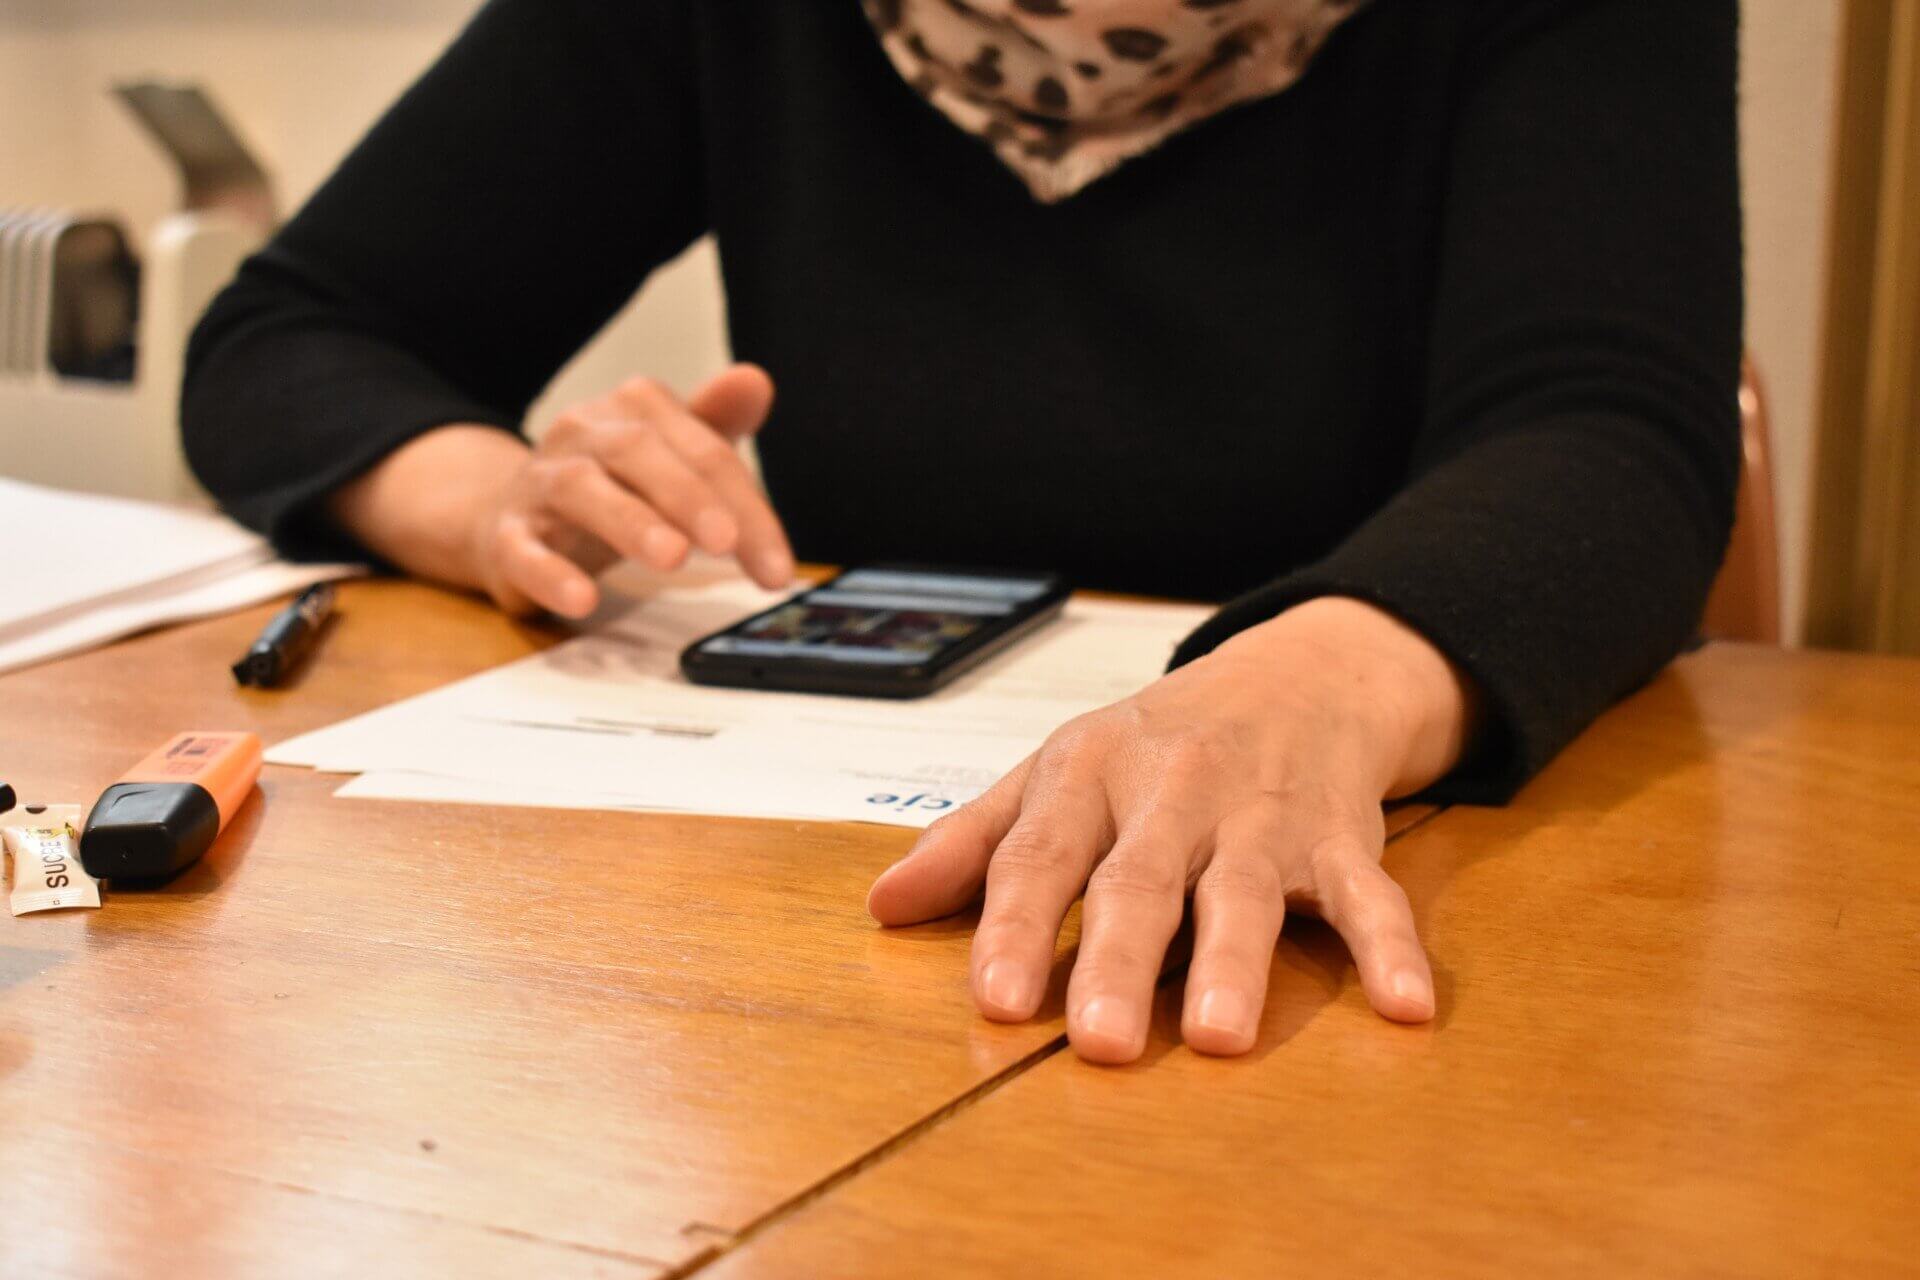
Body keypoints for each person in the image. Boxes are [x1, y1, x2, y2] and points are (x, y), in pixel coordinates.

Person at [181, 0, 1742, 1064]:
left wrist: (1324, 681)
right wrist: (492, 499)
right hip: (833, 931)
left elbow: (1607, 429)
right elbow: (294, 333)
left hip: (1345, 903)